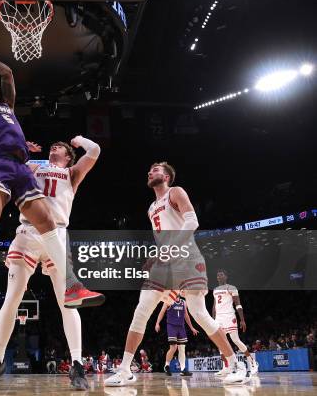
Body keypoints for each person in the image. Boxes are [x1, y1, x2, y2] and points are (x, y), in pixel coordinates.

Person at [0, 37, 102, 335]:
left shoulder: (8, 107)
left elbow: (7, 73)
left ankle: (73, 285)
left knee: (48, 221)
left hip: (21, 167)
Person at [104, 162, 248, 386]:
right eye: (149, 170)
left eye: (156, 169)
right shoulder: (151, 208)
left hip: (187, 259)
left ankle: (235, 364)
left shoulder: (176, 191)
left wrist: (169, 250)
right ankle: (125, 370)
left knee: (199, 314)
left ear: (167, 176)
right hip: (164, 265)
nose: (150, 171)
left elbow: (192, 221)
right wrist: (155, 257)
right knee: (141, 311)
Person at [0, 137, 102, 390]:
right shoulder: (35, 166)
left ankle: (77, 363)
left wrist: (78, 140)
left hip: (57, 234)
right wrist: (22, 149)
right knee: (12, 299)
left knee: (68, 302)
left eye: (59, 147)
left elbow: (95, 150)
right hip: (28, 233)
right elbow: (9, 163)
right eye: (52, 145)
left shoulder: (72, 173)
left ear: (69, 155)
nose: (53, 147)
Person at [212, 269, 259, 376]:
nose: (219, 277)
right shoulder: (215, 290)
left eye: (221, 275)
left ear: (226, 276)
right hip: (218, 319)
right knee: (220, 342)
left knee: (235, 340)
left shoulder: (232, 288)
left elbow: (238, 304)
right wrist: (213, 319)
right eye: (217, 275)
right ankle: (226, 367)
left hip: (229, 317)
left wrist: (242, 319)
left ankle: (252, 362)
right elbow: (214, 306)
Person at [155, 294, 198, 376]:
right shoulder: (168, 300)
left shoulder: (183, 302)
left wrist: (192, 327)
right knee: (173, 347)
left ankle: (183, 369)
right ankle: (166, 365)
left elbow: (186, 315)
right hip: (171, 326)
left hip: (181, 327)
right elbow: (162, 312)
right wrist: (157, 323)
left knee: (182, 348)